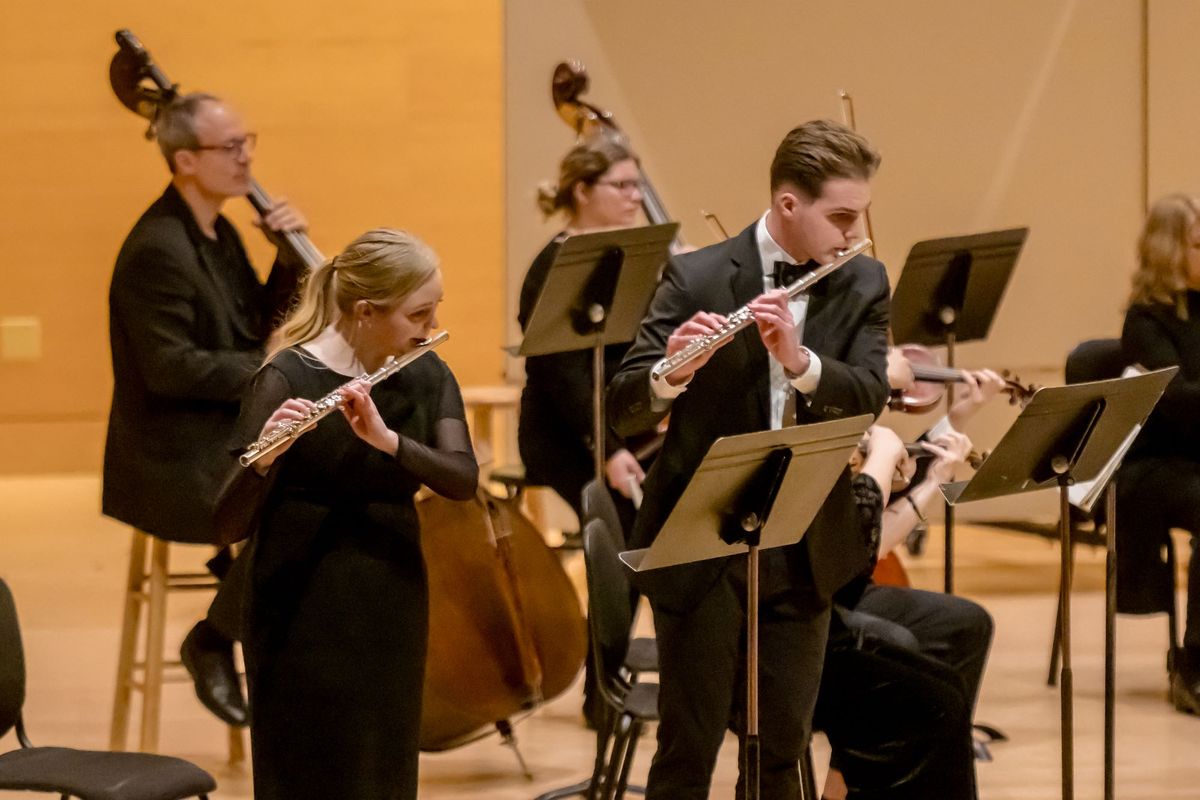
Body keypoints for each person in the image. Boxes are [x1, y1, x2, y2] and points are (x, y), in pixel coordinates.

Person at [608, 119, 889, 800]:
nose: (854, 234)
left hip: (802, 543)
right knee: (689, 744)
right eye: (842, 216)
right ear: (789, 205)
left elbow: (870, 395)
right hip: (700, 545)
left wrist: (801, 362)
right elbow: (624, 406)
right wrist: (673, 371)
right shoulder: (697, 274)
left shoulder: (864, 282)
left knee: (784, 745)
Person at [216, 228, 478, 799]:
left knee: (382, 769)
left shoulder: (427, 372)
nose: (429, 329)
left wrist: (389, 442)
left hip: (391, 591)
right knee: (305, 771)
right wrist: (267, 457)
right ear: (365, 311)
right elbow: (226, 522)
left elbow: (461, 479)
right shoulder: (287, 377)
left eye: (434, 313)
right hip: (300, 597)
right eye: (418, 315)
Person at [102, 91, 308, 726]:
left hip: (216, 436)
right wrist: (270, 372)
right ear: (186, 161)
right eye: (230, 147)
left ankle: (234, 612)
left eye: (249, 142)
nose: (246, 156)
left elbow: (253, 325)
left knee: (318, 493)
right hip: (171, 458)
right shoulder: (157, 250)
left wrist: (285, 255)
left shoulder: (213, 233)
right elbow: (171, 370)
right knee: (295, 509)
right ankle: (215, 637)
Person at [817, 423, 989, 800]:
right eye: (898, 357)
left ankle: (849, 775)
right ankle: (851, 776)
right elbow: (853, 551)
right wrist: (878, 459)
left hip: (842, 589)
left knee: (965, 625)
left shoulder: (862, 407)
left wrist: (934, 479)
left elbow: (869, 547)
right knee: (901, 652)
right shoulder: (835, 400)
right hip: (802, 599)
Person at [518, 136, 648, 522]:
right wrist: (607, 450)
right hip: (564, 431)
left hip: (620, 425)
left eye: (638, 185)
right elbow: (563, 374)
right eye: (623, 185)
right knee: (622, 523)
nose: (637, 197)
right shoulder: (554, 265)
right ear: (582, 191)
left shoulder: (627, 255)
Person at [1118, 192, 1200, 714]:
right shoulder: (1146, 321)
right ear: (1171, 251)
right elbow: (1181, 404)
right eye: (1198, 242)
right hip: (1156, 467)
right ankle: (1195, 662)